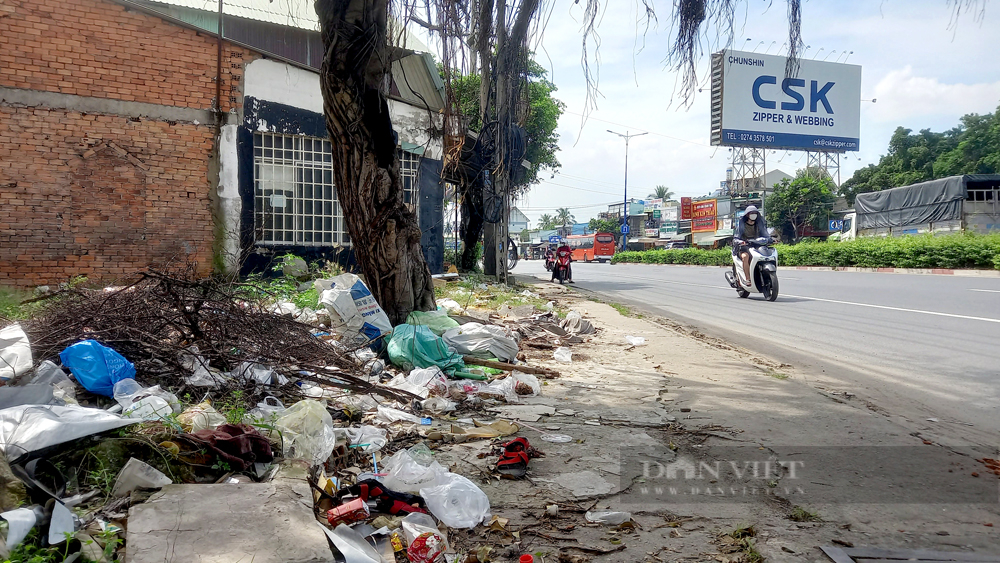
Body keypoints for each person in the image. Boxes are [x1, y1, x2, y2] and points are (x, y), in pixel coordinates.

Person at [732, 205, 769, 286]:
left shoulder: (759, 225)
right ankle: (748, 279)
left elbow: (766, 236)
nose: (753, 215)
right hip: (744, 248)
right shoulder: (742, 225)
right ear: (747, 215)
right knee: (745, 257)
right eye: (751, 213)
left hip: (757, 247)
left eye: (755, 213)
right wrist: (741, 242)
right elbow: (735, 238)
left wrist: (771, 240)